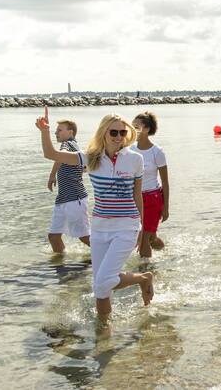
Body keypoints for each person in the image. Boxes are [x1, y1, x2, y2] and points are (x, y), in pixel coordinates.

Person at [35, 107, 154, 321]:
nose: (119, 137)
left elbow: (138, 195)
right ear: (103, 133)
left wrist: (142, 227)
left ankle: (142, 279)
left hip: (126, 226)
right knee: (100, 287)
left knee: (102, 281)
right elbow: (51, 154)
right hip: (99, 229)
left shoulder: (135, 159)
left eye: (122, 132)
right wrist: (44, 131)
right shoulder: (90, 158)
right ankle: (103, 331)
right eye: (114, 132)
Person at [46, 119, 90, 253]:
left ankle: (109, 256)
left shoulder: (68, 144)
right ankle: (61, 266)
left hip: (74, 198)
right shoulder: (73, 147)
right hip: (63, 198)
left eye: (59, 130)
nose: (55, 133)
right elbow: (61, 158)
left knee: (84, 237)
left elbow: (59, 155)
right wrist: (52, 175)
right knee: (53, 236)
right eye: (56, 130)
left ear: (70, 132)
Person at [131, 111, 169, 259]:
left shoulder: (157, 152)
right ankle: (166, 252)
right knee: (149, 237)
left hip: (153, 199)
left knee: (143, 238)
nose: (131, 129)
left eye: (135, 127)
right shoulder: (129, 149)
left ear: (146, 129)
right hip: (134, 199)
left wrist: (166, 208)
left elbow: (165, 182)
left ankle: (145, 273)